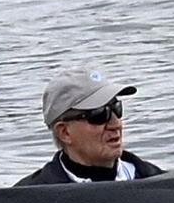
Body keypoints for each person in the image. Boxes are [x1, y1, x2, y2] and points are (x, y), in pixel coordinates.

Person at [15, 67, 164, 186]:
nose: (115, 124)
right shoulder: (27, 201)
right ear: (65, 132)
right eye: (99, 114)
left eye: (116, 108)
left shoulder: (160, 184)